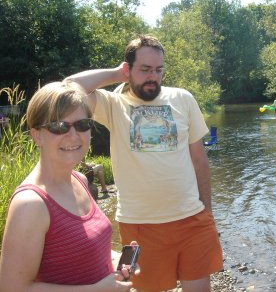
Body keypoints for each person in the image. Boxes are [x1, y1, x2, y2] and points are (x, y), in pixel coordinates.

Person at [64, 34, 223, 292]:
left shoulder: (183, 98)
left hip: (192, 219)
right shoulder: (113, 104)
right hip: (138, 225)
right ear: (128, 69)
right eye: (145, 69)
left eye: (159, 70)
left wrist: (208, 211)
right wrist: (117, 73)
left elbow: (199, 159)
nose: (153, 77)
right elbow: (68, 88)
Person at [0, 82, 137, 292]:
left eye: (82, 124)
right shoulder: (31, 204)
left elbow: (77, 251)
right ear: (37, 135)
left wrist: (114, 259)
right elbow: (13, 288)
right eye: (59, 126)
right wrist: (98, 290)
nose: (73, 135)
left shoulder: (80, 180)